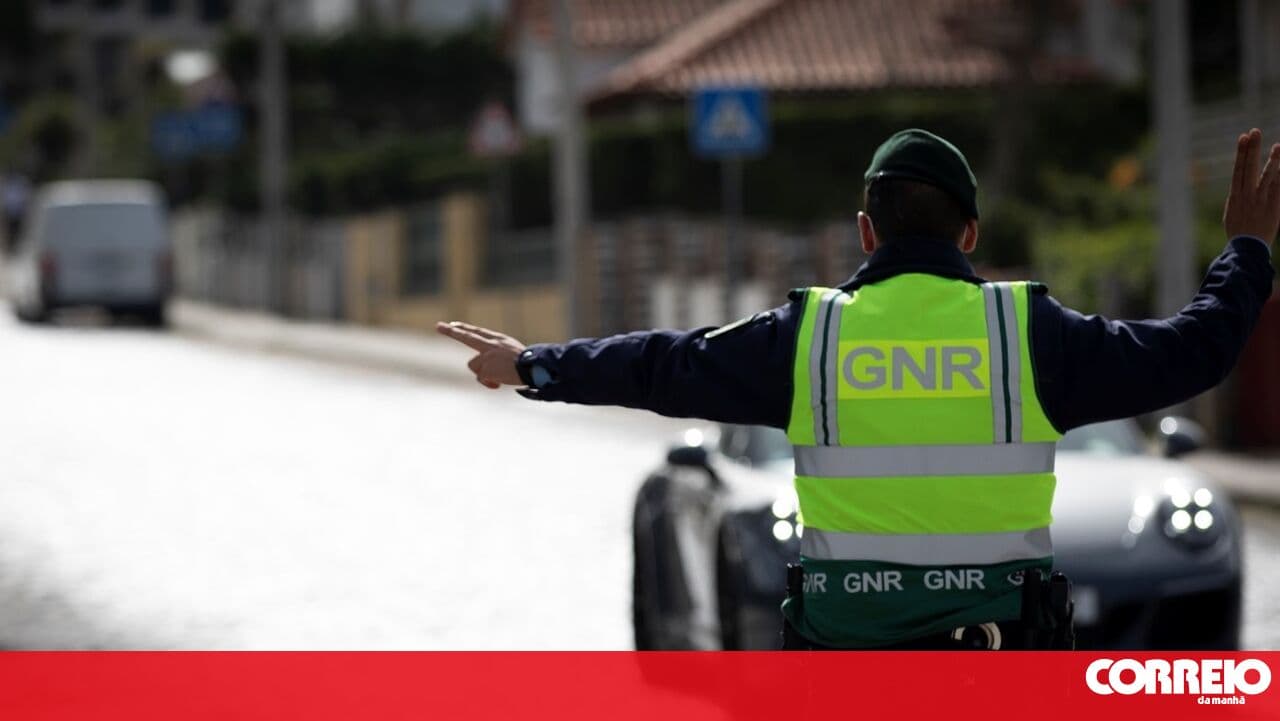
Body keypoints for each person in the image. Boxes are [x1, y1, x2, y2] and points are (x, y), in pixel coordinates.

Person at [437, 128, 1280, 650]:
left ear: (866, 231)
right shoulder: (1024, 332)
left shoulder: (811, 336)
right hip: (997, 662)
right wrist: (1245, 251)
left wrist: (534, 364)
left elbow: (662, 362)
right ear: (971, 233)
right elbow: (1192, 352)